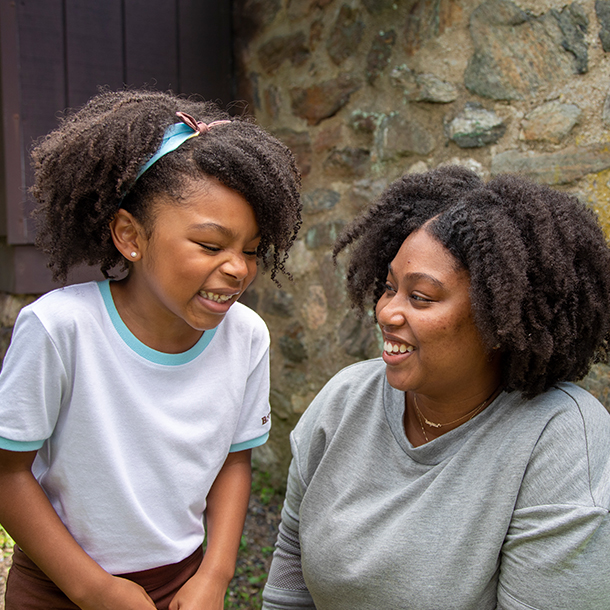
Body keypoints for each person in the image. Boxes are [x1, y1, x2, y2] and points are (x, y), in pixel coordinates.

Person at [0, 89, 301, 610]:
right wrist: (92, 588)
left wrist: (215, 576)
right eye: (211, 245)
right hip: (59, 586)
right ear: (129, 236)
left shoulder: (247, 337)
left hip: (183, 587)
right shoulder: (59, 329)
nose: (238, 268)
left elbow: (234, 460)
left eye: (251, 250)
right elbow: (7, 471)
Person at [262, 166, 610, 610]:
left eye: (421, 297)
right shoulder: (345, 400)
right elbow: (290, 577)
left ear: (497, 319)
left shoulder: (560, 441)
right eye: (389, 288)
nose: (386, 312)